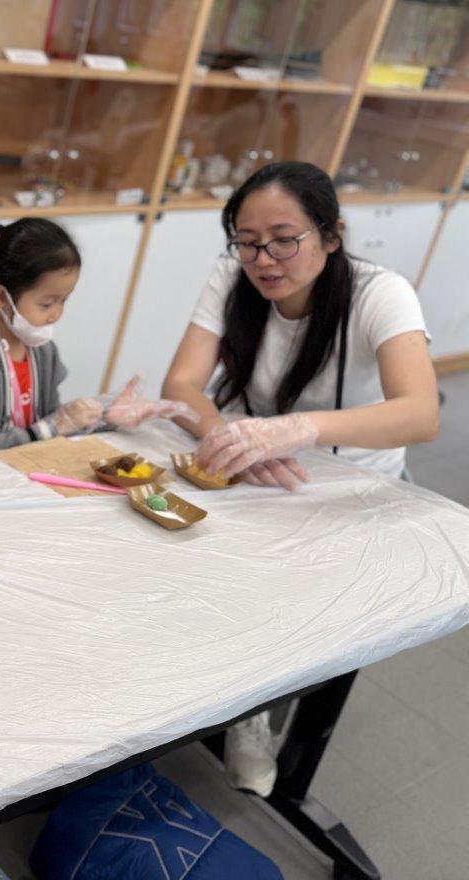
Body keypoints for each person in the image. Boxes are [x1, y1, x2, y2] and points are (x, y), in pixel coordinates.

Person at [161, 160, 439, 795]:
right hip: (261, 469)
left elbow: (422, 414)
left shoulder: (380, 294)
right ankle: (205, 689)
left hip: (351, 487)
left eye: (284, 240)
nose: (263, 259)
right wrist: (233, 439)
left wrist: (298, 428)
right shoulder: (232, 277)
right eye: (248, 242)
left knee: (288, 609)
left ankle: (252, 710)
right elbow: (181, 384)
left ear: (331, 235)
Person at [0, 218, 193, 458]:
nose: (57, 314)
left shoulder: (42, 350)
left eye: (63, 301)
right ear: (0, 296)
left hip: (24, 465)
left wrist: (104, 417)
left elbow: (50, 422)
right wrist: (55, 425)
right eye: (46, 304)